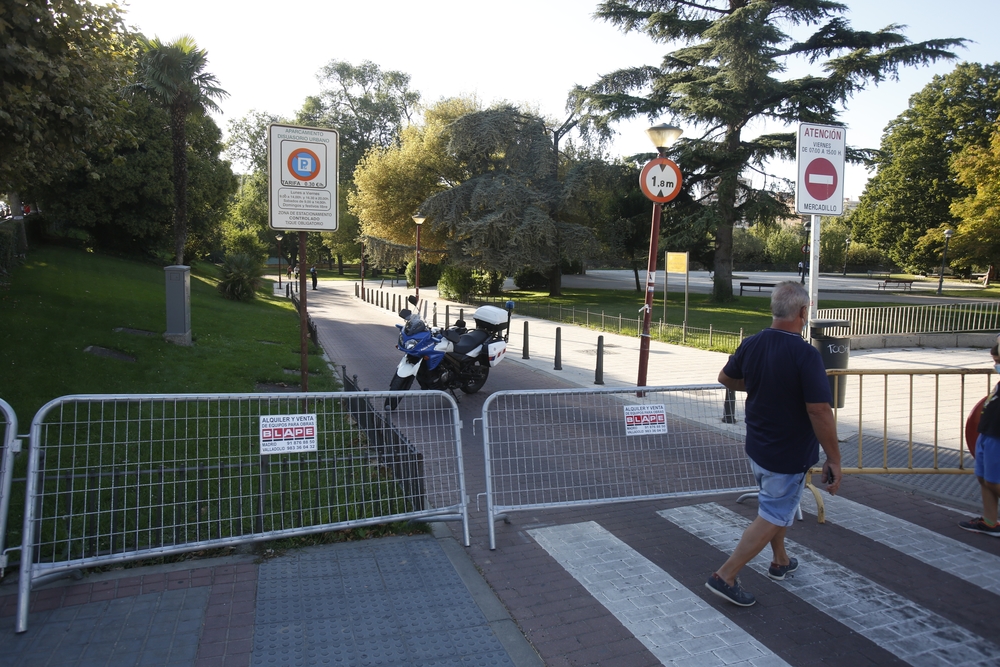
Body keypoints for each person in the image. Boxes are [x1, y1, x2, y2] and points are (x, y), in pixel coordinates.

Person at [707, 281, 842, 606]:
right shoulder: (806, 355)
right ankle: (725, 575)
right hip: (788, 453)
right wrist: (834, 459)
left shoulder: (752, 343)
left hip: (758, 446)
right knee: (773, 514)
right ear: (803, 312)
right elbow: (820, 410)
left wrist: (757, 385)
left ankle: (780, 560)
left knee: (775, 507)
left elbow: (725, 378)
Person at [959, 338, 1000, 537]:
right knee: (984, 479)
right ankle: (990, 521)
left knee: (994, 481)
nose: (996, 365)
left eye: (999, 361)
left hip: (998, 437)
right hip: (988, 434)